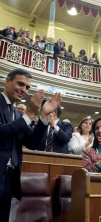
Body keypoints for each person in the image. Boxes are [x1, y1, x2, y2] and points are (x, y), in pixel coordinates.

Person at [0, 68, 61, 222]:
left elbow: (32, 143)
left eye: (27, 87)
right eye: (20, 84)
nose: (24, 90)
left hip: (9, 178)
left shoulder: (19, 115)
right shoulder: (23, 116)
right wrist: (30, 115)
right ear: (7, 81)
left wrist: (44, 117)